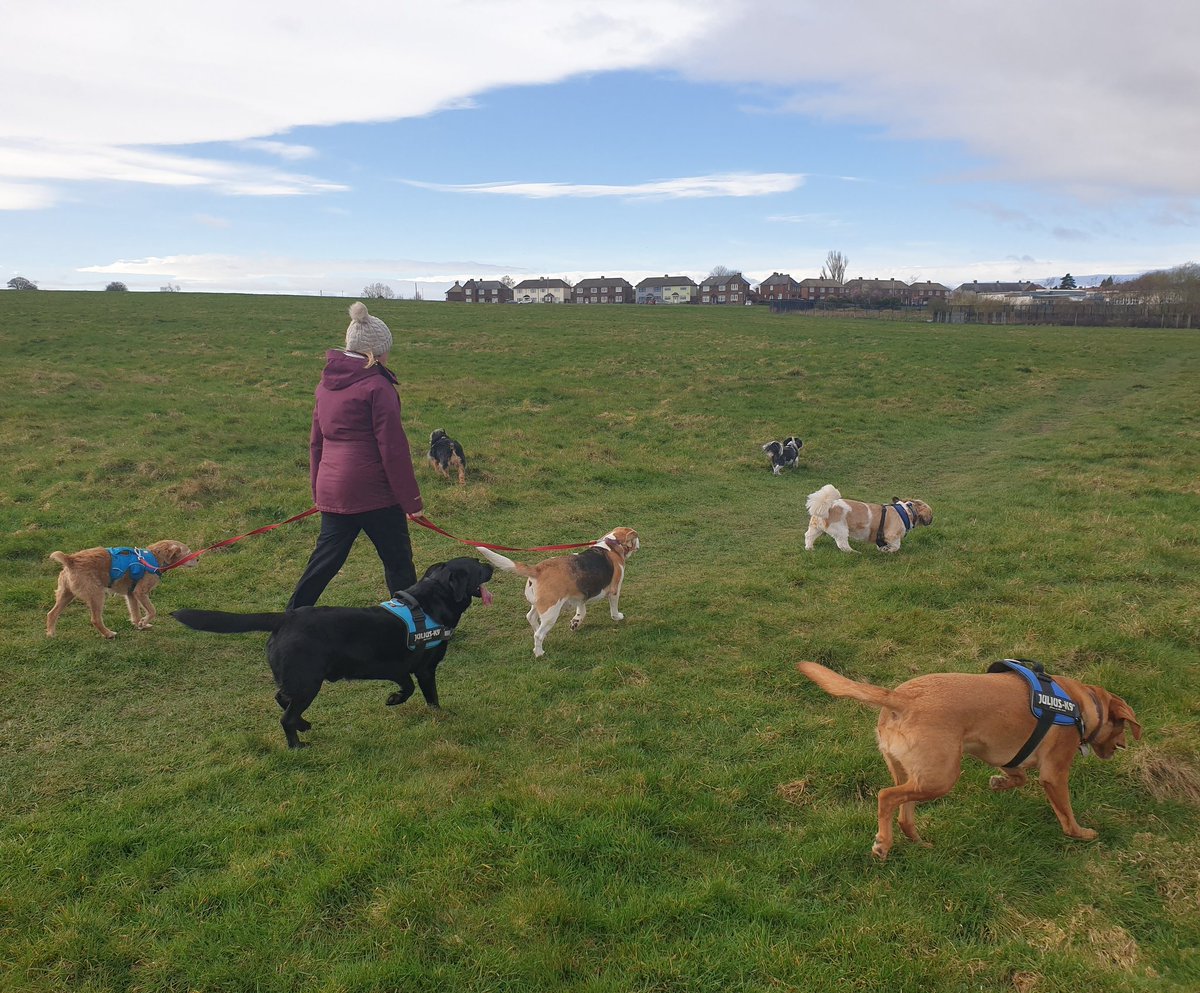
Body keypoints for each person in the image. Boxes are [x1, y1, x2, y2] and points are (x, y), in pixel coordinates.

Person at [287, 301, 426, 609]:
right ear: (375, 352)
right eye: (386, 350)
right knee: (398, 560)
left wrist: (319, 491)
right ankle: (411, 621)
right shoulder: (378, 386)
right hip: (374, 492)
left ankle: (291, 617)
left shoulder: (325, 385)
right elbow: (393, 448)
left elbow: (316, 442)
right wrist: (411, 500)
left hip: (333, 488)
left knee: (325, 560)